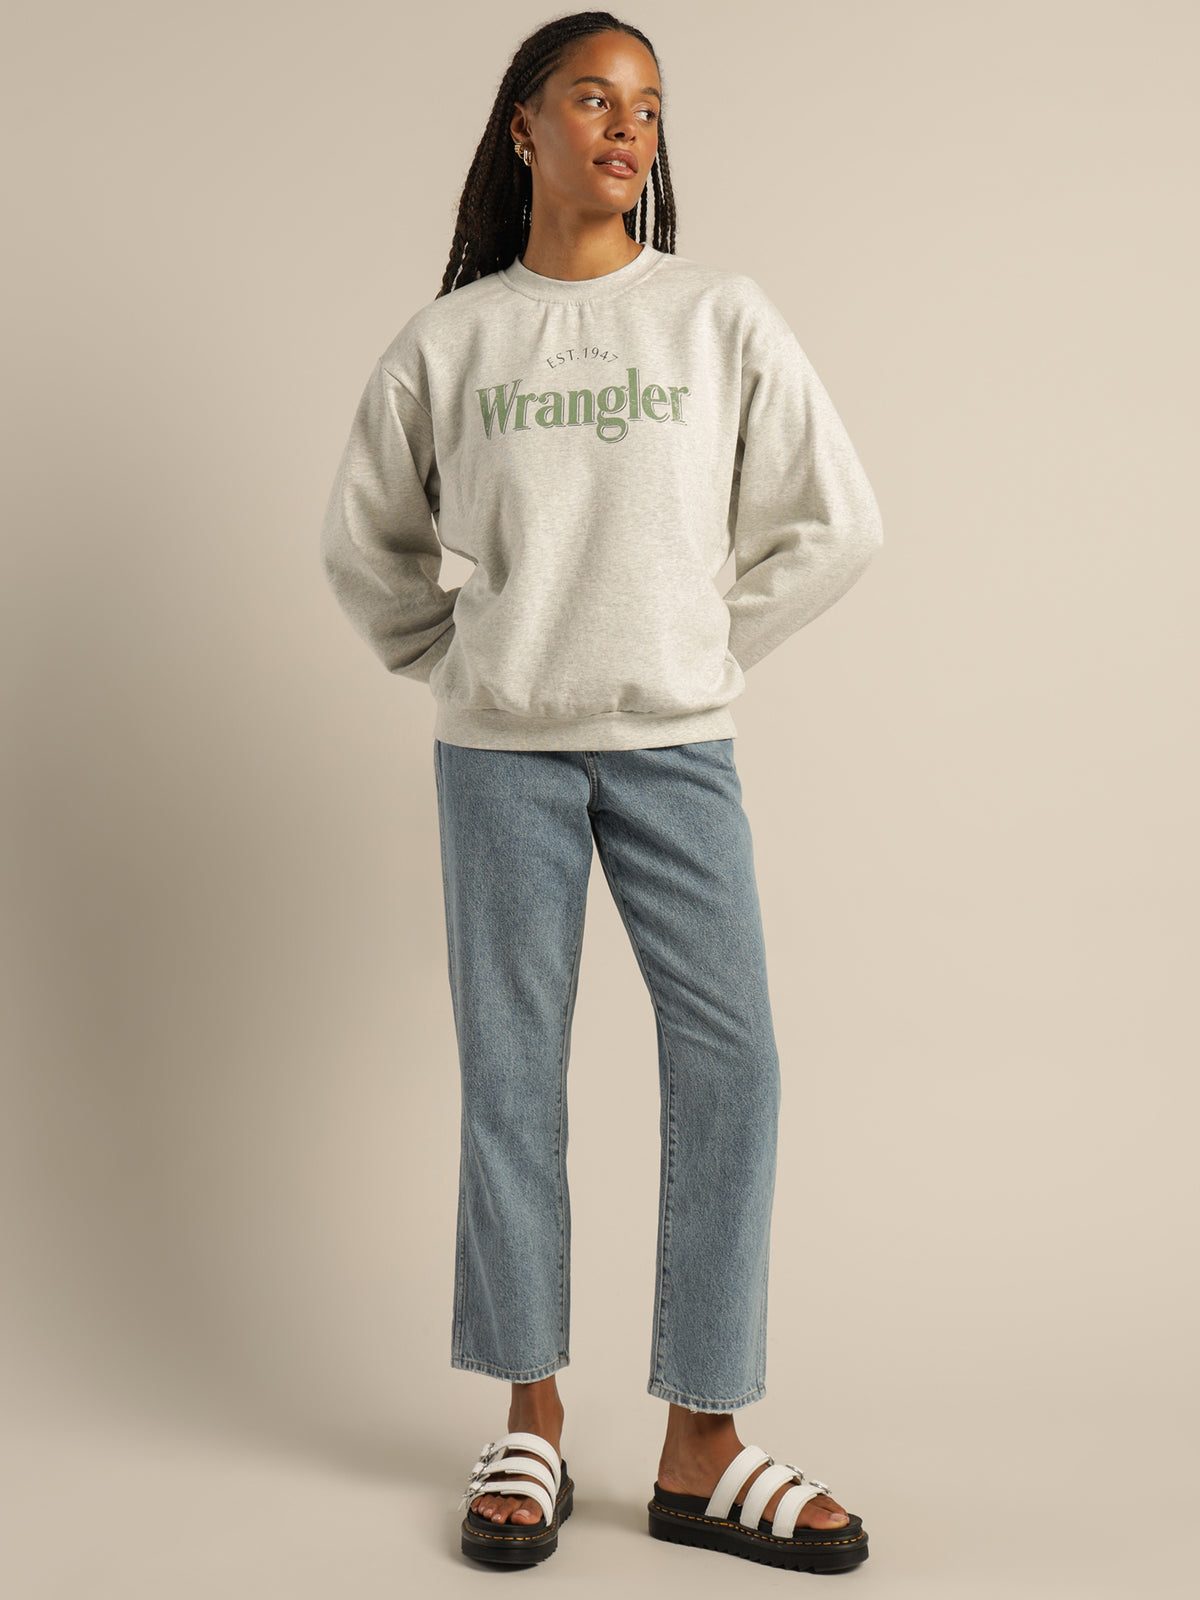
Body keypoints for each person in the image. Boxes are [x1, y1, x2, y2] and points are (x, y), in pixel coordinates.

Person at [320, 9, 881, 1577]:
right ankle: (532, 1417)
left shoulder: (715, 317)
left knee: (734, 1064)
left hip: (676, 747)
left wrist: (701, 644)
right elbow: (363, 546)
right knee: (513, 1079)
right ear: (525, 130)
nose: (629, 127)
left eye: (648, 105)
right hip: (498, 756)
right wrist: (468, 658)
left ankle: (704, 1437)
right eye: (593, 98)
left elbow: (836, 522)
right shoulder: (454, 342)